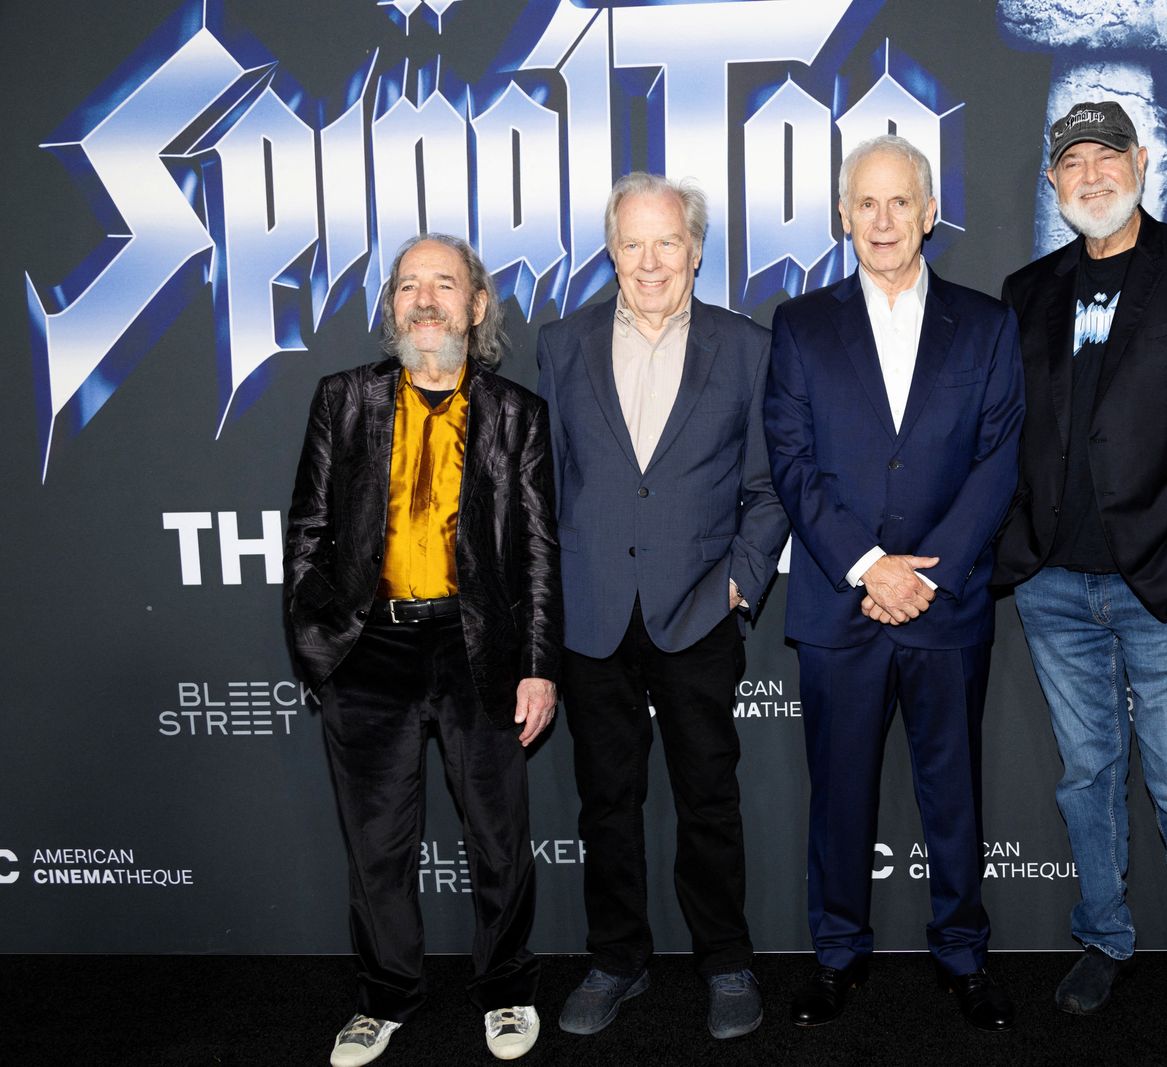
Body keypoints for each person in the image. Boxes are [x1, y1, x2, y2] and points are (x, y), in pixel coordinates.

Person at [994, 100, 1167, 1046]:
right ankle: (1105, 938)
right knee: (1086, 774)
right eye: (1072, 163)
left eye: (1106, 156)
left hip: (1160, 576)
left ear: (1142, 162)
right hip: (1050, 584)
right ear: (1052, 183)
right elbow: (1000, 435)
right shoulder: (1025, 291)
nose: (1091, 175)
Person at [764, 135, 1023, 1032]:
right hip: (841, 605)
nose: (882, 221)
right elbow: (792, 466)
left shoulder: (987, 325)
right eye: (865, 204)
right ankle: (837, 956)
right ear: (844, 216)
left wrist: (925, 577)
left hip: (946, 608)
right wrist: (872, 568)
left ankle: (963, 956)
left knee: (954, 795)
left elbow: (997, 462)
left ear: (929, 213)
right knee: (839, 796)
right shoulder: (799, 326)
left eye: (900, 202)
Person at [285, 234, 562, 1065]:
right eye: (410, 286)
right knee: (376, 842)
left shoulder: (518, 414)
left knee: (499, 837)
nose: (426, 299)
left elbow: (541, 553)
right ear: (392, 308)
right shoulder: (343, 399)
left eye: (445, 284)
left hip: (478, 650)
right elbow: (307, 536)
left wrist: (541, 664)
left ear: (478, 306)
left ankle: (506, 989)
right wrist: (317, 648)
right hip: (367, 650)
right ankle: (385, 996)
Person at [535, 173, 788, 1040]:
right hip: (595, 612)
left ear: (696, 249)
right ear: (612, 251)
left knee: (707, 796)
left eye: (667, 242)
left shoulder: (747, 348)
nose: (650, 262)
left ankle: (725, 961)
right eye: (632, 244)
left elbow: (768, 487)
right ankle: (617, 960)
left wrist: (738, 580)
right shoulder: (560, 346)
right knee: (606, 802)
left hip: (698, 612)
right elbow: (553, 485)